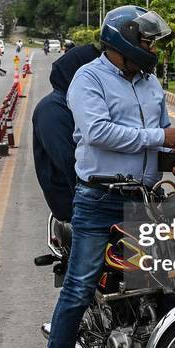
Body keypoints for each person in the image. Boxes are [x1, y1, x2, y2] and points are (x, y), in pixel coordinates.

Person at [42, 5, 175, 348]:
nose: (151, 48)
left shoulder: (151, 83)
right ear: (124, 40)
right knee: (79, 287)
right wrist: (158, 136)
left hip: (143, 198)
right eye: (146, 41)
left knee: (164, 283)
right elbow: (98, 132)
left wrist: (169, 153)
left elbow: (156, 138)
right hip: (98, 198)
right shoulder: (88, 79)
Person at [32, 45, 102, 223]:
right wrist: (93, 201)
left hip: (99, 196)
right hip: (74, 202)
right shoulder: (53, 109)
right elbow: (68, 161)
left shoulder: (85, 105)